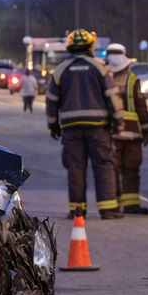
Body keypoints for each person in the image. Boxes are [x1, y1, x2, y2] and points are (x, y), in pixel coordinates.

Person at [46, 29, 124, 219]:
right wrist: (118, 120)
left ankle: (77, 210)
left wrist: (53, 125)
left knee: (76, 166)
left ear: (70, 47)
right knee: (104, 163)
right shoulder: (100, 68)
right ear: (91, 47)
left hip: (71, 128)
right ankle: (108, 209)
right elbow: (112, 96)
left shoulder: (60, 70)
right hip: (98, 126)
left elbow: (51, 100)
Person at [104, 43, 148, 214]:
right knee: (131, 169)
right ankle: (131, 205)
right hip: (132, 133)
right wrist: (146, 130)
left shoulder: (104, 79)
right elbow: (141, 107)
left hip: (111, 133)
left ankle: (113, 205)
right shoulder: (133, 80)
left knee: (112, 169)